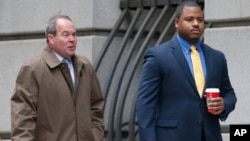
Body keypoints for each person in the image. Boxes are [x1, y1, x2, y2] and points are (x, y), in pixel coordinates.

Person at [136, 1, 237, 141]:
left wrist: (224, 104)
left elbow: (229, 93)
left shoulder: (217, 57)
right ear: (177, 23)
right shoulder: (158, 57)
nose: (196, 23)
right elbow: (145, 106)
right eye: (189, 19)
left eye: (200, 20)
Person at [11, 15, 104, 141]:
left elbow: (96, 107)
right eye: (66, 35)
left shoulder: (85, 66)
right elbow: (23, 119)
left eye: (74, 34)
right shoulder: (33, 69)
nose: (72, 39)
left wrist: (95, 136)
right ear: (51, 38)